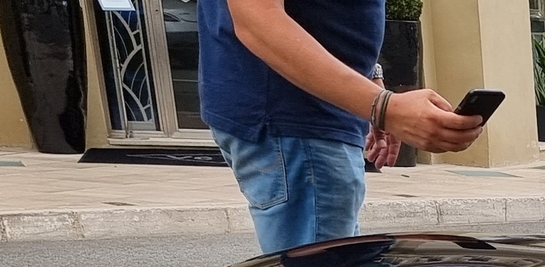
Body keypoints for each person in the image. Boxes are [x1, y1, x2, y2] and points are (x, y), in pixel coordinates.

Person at [200, 0, 481, 253]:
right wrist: (384, 107)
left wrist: (370, 81)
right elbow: (256, 19)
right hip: (297, 118)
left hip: (305, 118)